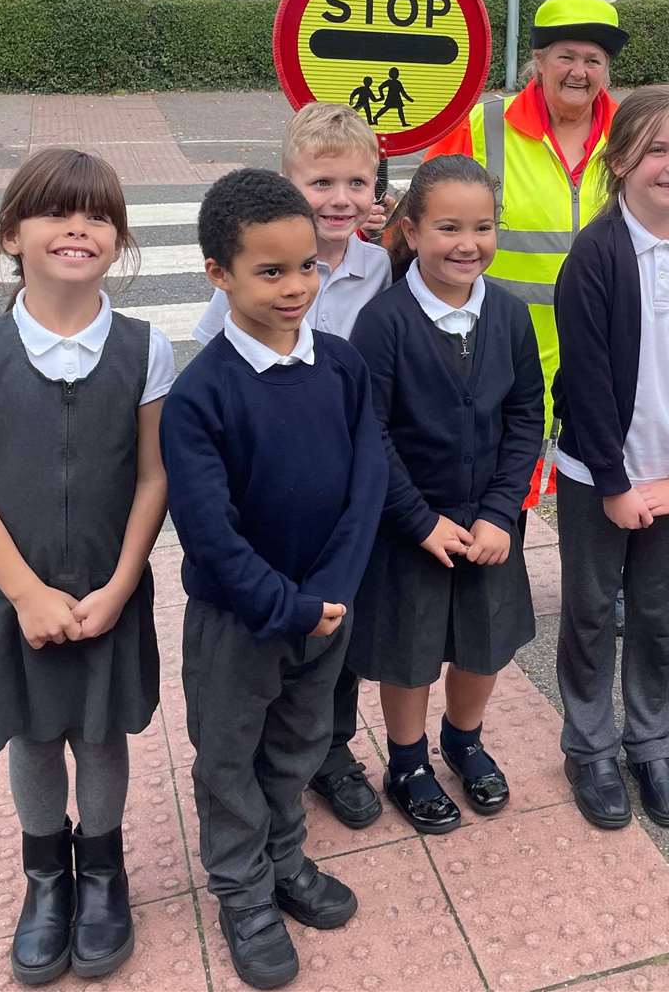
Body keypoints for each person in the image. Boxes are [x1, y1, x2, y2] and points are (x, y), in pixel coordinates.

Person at [0, 148, 172, 985]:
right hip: (16, 596)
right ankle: (46, 877)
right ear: (11, 235)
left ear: (118, 239)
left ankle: (103, 871)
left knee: (102, 733)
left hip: (112, 592)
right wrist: (26, 592)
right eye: (55, 212)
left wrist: (119, 584)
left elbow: (153, 476)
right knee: (36, 736)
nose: (79, 226)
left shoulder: (146, 348)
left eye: (99, 214)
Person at [161, 169, 388, 990]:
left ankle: (285, 861)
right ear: (218, 274)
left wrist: (331, 592)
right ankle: (243, 891)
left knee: (297, 745)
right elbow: (209, 531)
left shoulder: (340, 367)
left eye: (306, 268)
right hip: (241, 621)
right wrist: (285, 605)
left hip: (327, 610)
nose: (295, 287)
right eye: (269, 271)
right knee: (228, 757)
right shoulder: (201, 396)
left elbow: (367, 480)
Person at [193, 104, 392, 834]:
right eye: (320, 182)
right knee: (276, 646)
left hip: (355, 480)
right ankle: (275, 773)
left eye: (356, 183)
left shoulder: (384, 265)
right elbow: (219, 376)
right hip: (274, 492)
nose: (340, 199)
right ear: (288, 185)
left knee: (342, 631)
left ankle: (330, 753)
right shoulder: (253, 276)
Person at [552, 85, 669, 830]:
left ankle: (651, 744)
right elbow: (587, 379)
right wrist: (611, 480)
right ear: (621, 159)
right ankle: (589, 744)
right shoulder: (595, 255)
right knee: (592, 611)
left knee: (658, 616)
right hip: (598, 474)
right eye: (656, 149)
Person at [346, 155, 544, 835]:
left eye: (482, 227)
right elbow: (370, 431)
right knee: (409, 649)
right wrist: (417, 519)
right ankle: (406, 760)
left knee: (481, 643)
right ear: (410, 230)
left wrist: (500, 513)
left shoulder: (511, 318)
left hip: (489, 526)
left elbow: (526, 418)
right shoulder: (384, 322)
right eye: (448, 227)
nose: (467, 243)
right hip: (411, 528)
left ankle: (464, 739)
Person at [425, 0, 629, 512]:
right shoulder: (479, 127)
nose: (579, 72)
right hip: (497, 347)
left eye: (593, 60)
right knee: (498, 488)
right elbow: (427, 220)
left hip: (603, 349)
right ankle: (496, 589)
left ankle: (602, 593)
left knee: (604, 485)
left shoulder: (633, 134)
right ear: (537, 60)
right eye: (566, 56)